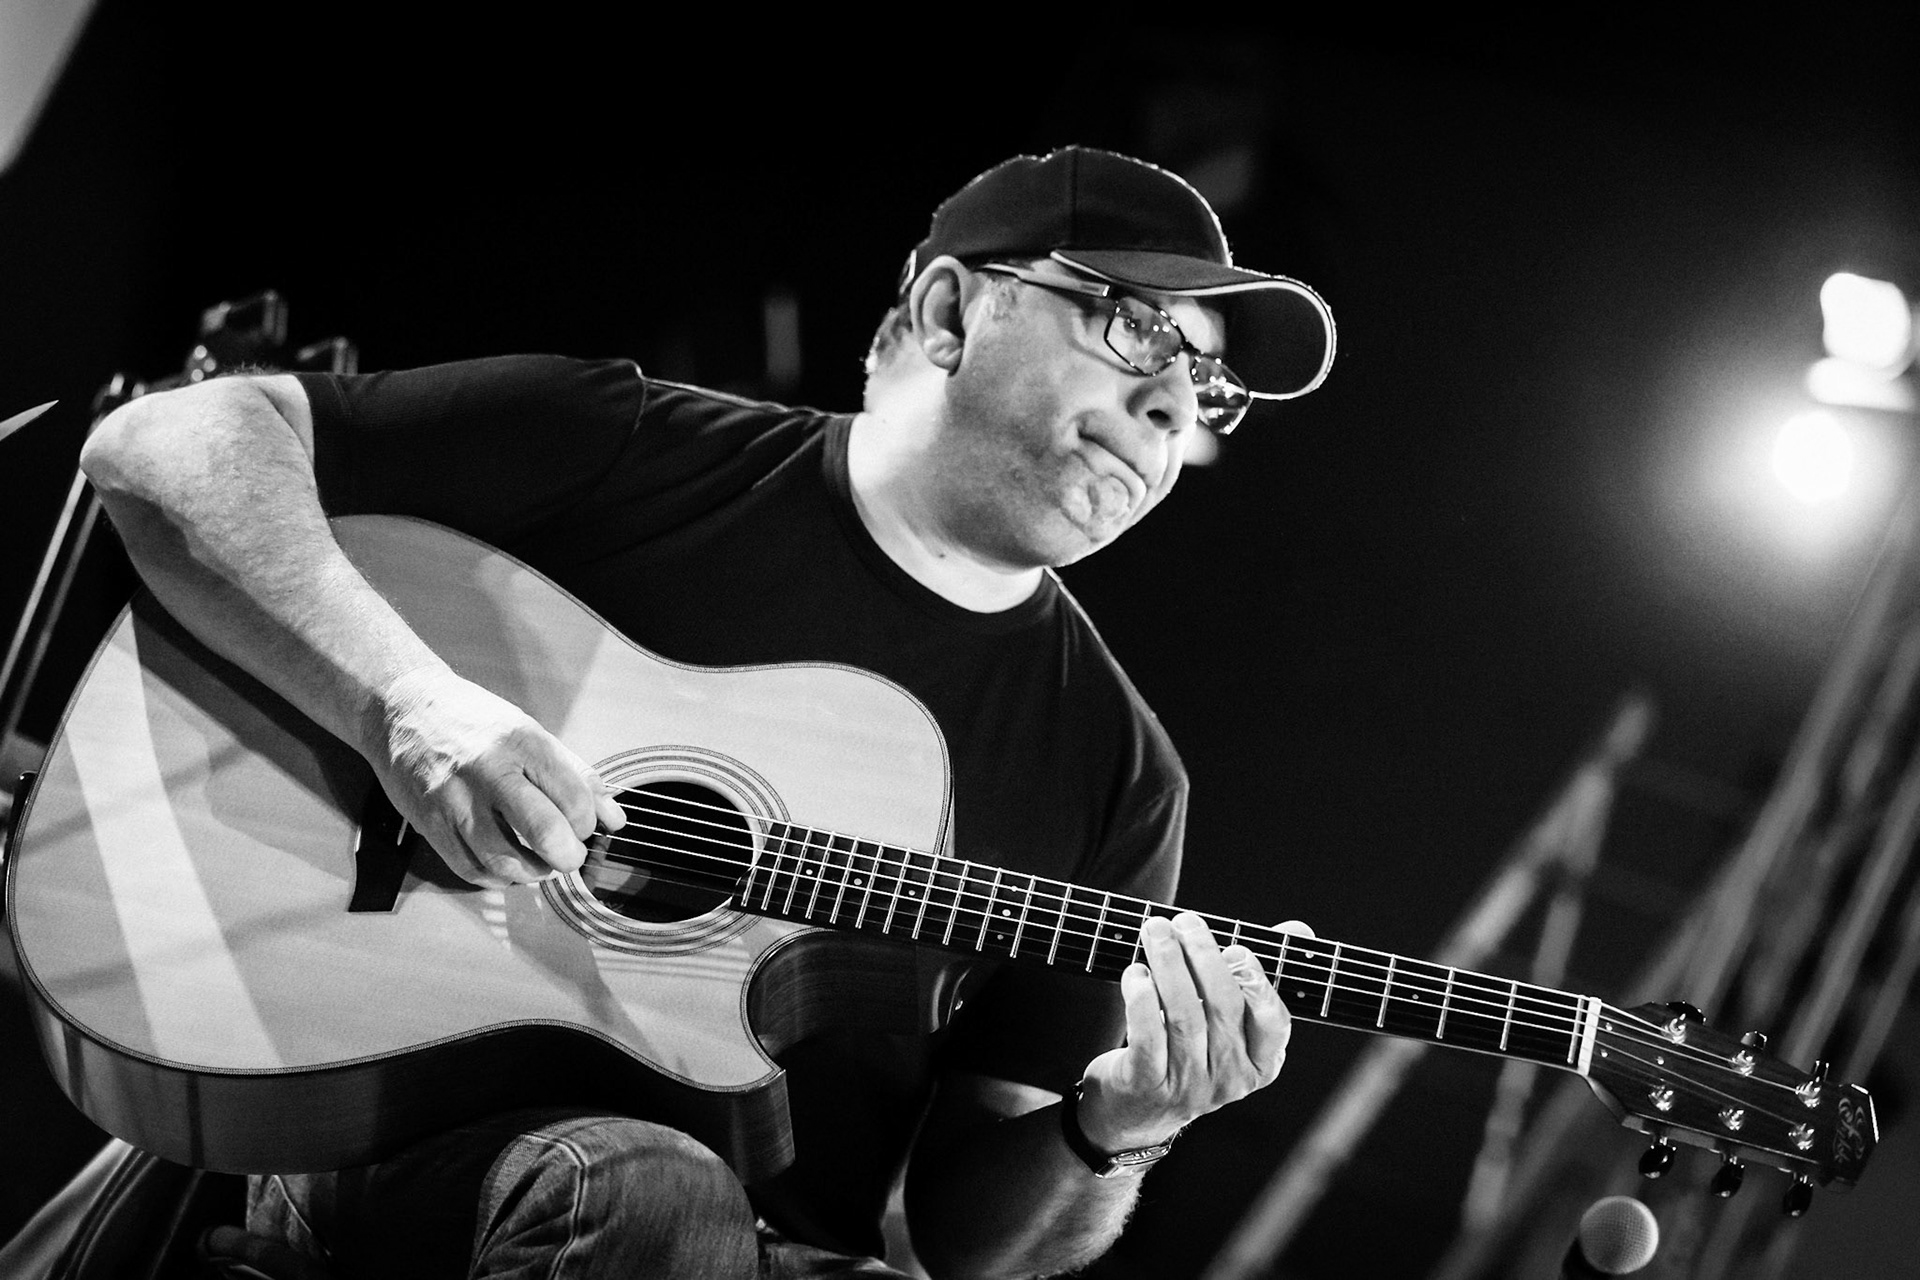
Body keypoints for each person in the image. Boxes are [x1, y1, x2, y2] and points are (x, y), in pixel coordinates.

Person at [78, 146, 1337, 1279]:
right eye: (1133, 330)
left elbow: (962, 1239)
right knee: (658, 1196)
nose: (1175, 408)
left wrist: (1111, 1129)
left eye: (1207, 387)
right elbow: (167, 444)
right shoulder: (631, 446)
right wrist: (410, 706)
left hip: (770, 1256)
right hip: (388, 1119)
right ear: (956, 310)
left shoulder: (1119, 772)